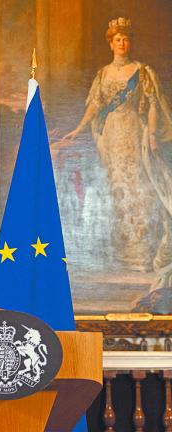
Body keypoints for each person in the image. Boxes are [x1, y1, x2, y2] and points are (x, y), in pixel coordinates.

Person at [60, 17, 172, 276]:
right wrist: (78, 128)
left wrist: (152, 134)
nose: (122, 43)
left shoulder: (142, 71)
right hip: (109, 136)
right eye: (117, 39)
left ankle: (141, 253)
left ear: (129, 42)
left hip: (134, 133)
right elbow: (96, 106)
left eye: (125, 39)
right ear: (110, 44)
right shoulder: (103, 74)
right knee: (115, 187)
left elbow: (152, 105)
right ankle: (120, 254)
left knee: (137, 188)